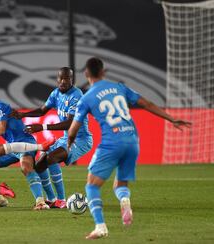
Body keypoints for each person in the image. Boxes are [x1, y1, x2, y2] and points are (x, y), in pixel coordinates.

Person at [67, 57, 192, 239]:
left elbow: (74, 128)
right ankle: (125, 201)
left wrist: (70, 143)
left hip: (112, 143)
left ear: (86, 74)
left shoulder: (86, 98)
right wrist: (171, 119)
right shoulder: (119, 87)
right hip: (133, 141)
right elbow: (146, 104)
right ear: (103, 72)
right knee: (120, 184)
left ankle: (100, 226)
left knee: (92, 186)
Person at [11, 67, 92, 208]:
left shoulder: (76, 95)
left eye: (66, 78)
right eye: (61, 78)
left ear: (72, 80)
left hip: (80, 140)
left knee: (50, 158)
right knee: (39, 165)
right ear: (57, 79)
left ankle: (61, 200)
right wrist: (23, 114)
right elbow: (42, 111)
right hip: (66, 138)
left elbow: (70, 123)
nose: (63, 81)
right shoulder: (56, 93)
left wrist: (42, 127)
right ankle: (52, 198)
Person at [0, 82, 54, 210]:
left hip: (25, 143)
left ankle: (40, 202)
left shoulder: (0, 106)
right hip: (11, 148)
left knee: (26, 166)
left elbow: (0, 129)